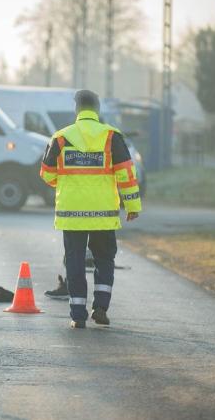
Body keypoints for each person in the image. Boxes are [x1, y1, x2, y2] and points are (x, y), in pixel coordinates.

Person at [39, 89, 142, 328]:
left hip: (72, 214)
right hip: (103, 214)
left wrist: (66, 182)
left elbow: (46, 173)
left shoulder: (61, 137)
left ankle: (77, 315)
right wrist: (132, 205)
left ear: (77, 109)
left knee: (74, 261)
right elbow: (126, 173)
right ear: (97, 110)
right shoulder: (111, 137)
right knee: (104, 259)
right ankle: (101, 306)